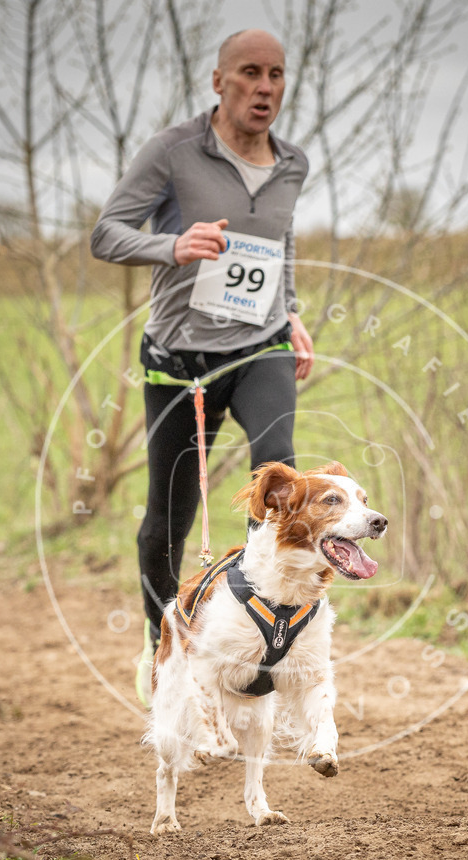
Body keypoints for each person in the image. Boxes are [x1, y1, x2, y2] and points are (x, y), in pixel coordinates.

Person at [90, 28, 313, 656]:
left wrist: (288, 310)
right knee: (168, 522)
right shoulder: (173, 151)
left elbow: (278, 241)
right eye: (249, 72)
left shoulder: (293, 162)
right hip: (179, 361)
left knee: (278, 465)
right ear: (219, 81)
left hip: (259, 346)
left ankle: (258, 629)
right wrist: (172, 245)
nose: (264, 87)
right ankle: (162, 642)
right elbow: (106, 234)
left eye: (275, 74)